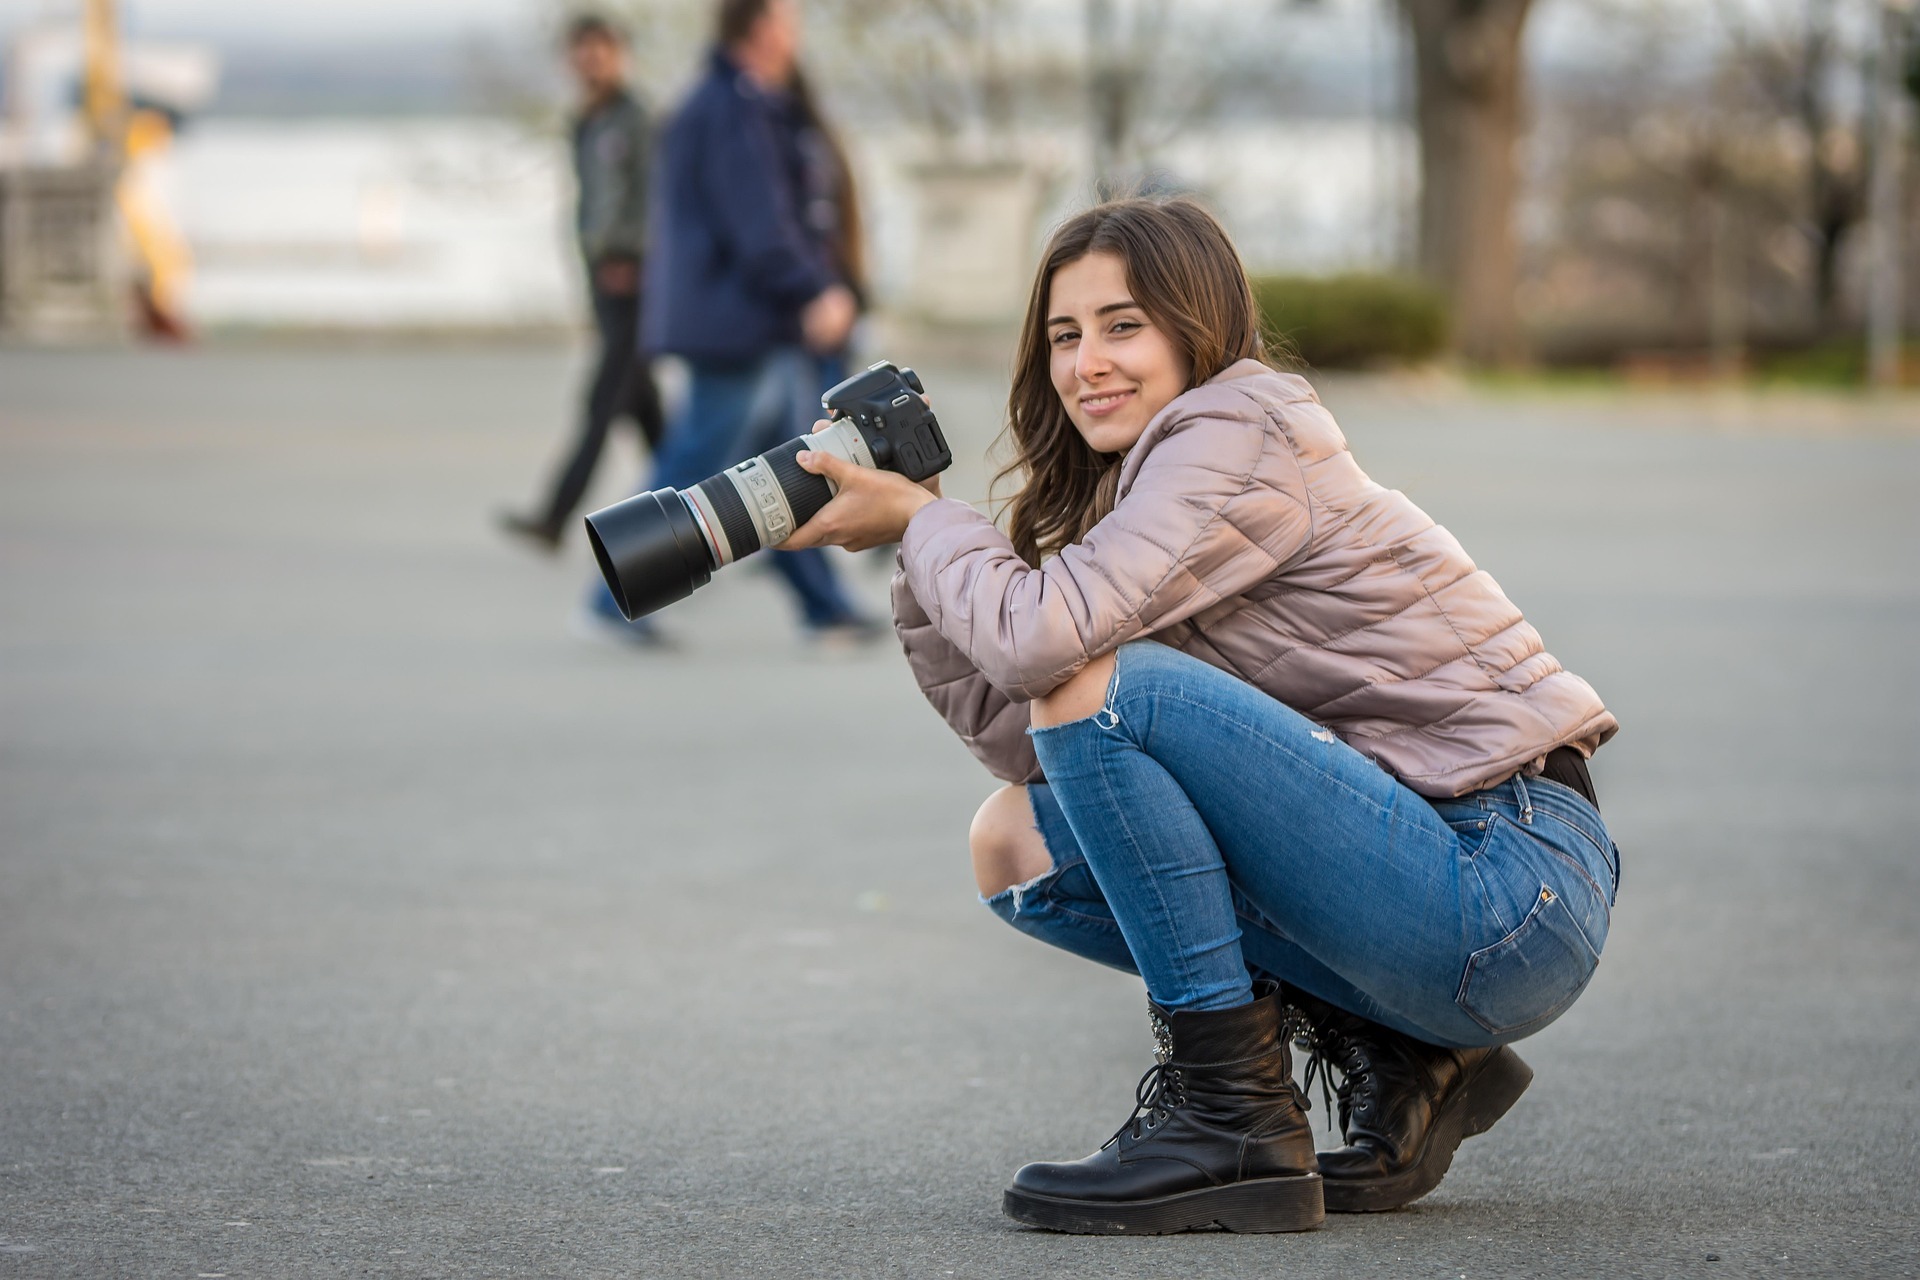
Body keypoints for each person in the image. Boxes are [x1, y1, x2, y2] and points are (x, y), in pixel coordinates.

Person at [783, 198, 1621, 1234]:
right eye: (1064, 333)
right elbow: (1037, 743)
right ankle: (1408, 1049)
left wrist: (926, 523)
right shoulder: (1147, 485)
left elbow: (1054, 656)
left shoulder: (1238, 426)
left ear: (1200, 326)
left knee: (1097, 678)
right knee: (1017, 840)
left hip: (1508, 879)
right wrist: (916, 557)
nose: (1088, 360)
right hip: (1424, 887)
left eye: (1124, 325)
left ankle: (1228, 1120)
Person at [596, 0, 874, 642]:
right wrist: (815, 288)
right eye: (789, 17)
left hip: (744, 319)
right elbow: (759, 223)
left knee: (786, 465)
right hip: (736, 322)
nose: (797, 30)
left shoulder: (740, 102)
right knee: (701, 461)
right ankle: (610, 599)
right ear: (762, 27)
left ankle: (822, 605)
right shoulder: (730, 109)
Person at [500, 14, 666, 553]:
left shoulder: (635, 120)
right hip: (603, 282)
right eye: (582, 52)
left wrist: (633, 256)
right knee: (647, 414)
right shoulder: (586, 122)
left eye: (602, 50)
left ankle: (555, 516)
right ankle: (707, 513)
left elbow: (654, 199)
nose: (591, 61)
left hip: (633, 280)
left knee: (601, 404)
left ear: (620, 54)